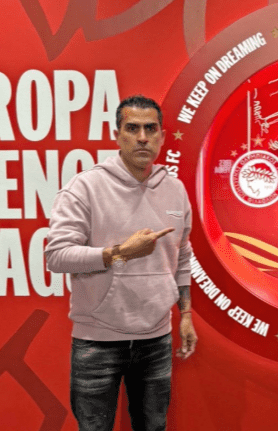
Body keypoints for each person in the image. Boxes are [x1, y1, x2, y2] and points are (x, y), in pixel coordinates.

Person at [45, 95, 197, 431]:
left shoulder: (175, 190)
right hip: (97, 342)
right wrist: (119, 253)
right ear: (117, 135)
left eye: (150, 129)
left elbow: (182, 255)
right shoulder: (84, 188)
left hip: (156, 339)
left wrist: (185, 314)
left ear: (162, 136)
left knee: (153, 427)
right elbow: (56, 255)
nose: (142, 137)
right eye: (132, 128)